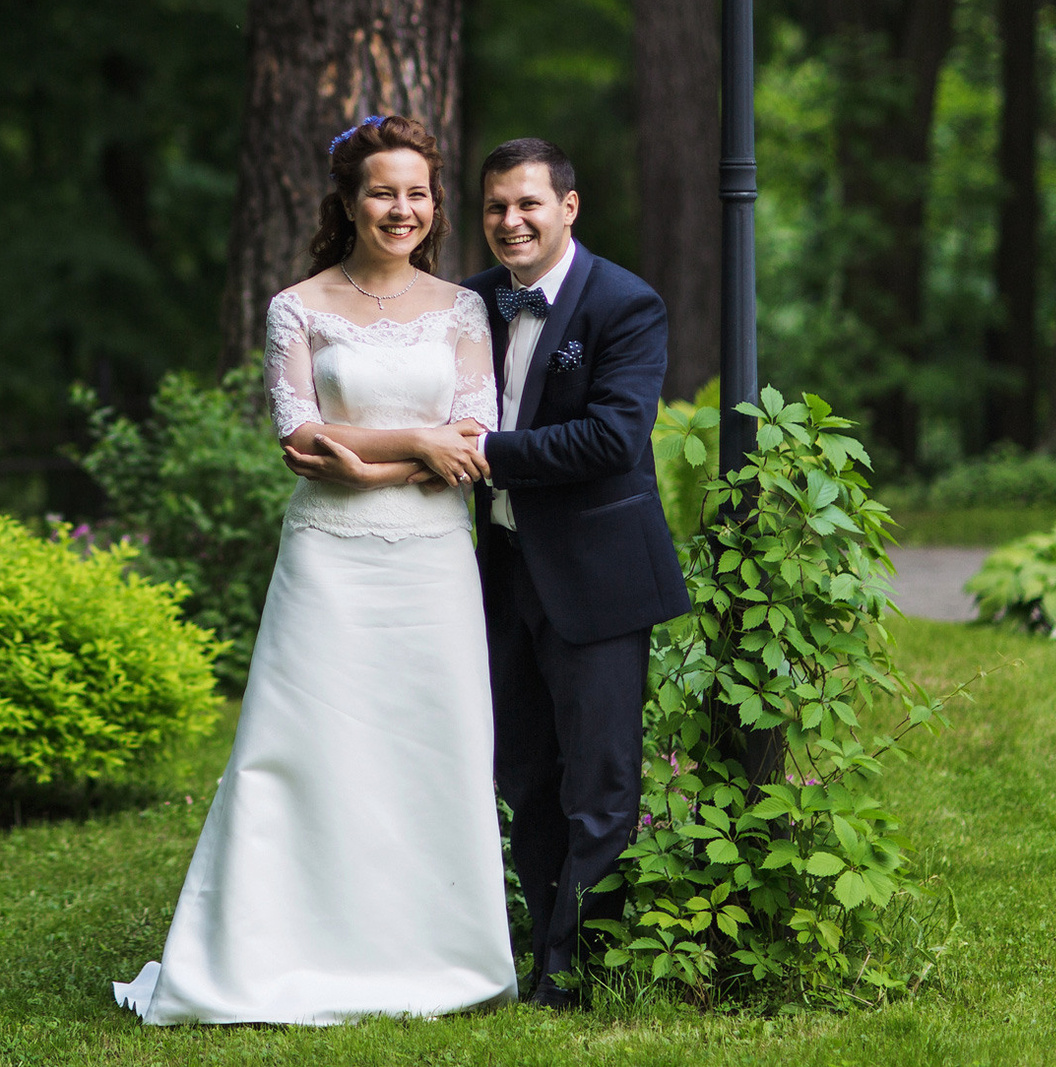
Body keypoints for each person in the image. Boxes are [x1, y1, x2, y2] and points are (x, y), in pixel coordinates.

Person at [113, 114, 517, 1027]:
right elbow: (299, 432)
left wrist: (376, 462)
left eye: (418, 192)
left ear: (435, 203)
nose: (401, 208)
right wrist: (415, 438)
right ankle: (275, 948)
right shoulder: (296, 305)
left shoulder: (463, 309)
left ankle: (439, 950)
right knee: (303, 746)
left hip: (430, 565)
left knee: (429, 745)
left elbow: (474, 437)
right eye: (383, 190)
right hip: (328, 563)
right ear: (347, 201)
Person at [460, 137, 689, 1008]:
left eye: (527, 204)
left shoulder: (627, 303)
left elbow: (612, 438)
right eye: (495, 207)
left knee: (598, 785)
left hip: (596, 577)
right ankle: (539, 946)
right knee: (522, 774)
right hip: (499, 572)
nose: (510, 221)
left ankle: (577, 972)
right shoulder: (470, 302)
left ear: (569, 207)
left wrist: (484, 452)